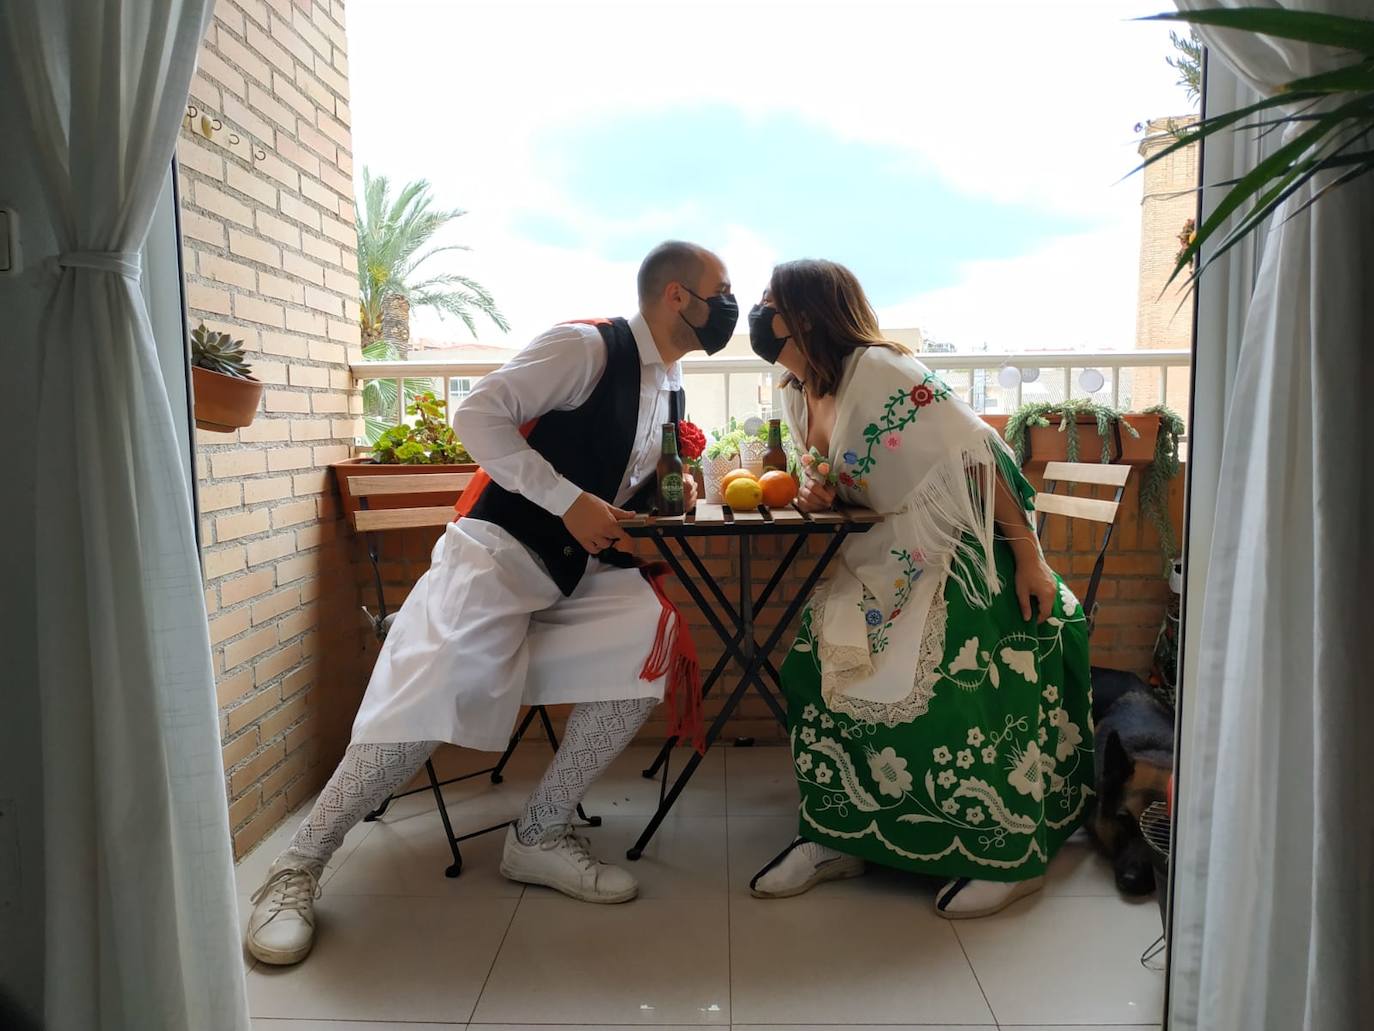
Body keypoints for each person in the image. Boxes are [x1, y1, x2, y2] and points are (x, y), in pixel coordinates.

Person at [245, 241, 736, 965]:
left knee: (647, 635)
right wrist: (567, 501)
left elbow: (611, 476)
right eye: (720, 290)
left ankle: (538, 832)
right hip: (496, 554)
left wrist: (667, 490)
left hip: (569, 575)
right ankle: (299, 864)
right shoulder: (586, 348)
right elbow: (478, 416)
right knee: (429, 687)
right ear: (675, 297)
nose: (729, 305)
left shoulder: (669, 385)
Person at [744, 259, 1092, 918]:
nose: (758, 315)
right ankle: (839, 834)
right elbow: (845, 483)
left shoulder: (879, 370)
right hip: (874, 557)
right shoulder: (797, 388)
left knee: (945, 675)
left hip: (949, 548)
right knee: (814, 668)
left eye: (769, 301)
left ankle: (1005, 850)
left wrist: (1031, 559)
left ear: (808, 313)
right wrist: (819, 494)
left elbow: (977, 450)